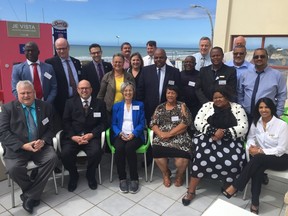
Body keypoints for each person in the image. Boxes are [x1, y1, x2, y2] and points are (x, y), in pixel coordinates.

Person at [182, 86, 248, 206]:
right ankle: (191, 190)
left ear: (226, 97)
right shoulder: (207, 106)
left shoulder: (237, 108)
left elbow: (243, 127)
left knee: (234, 160)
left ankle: (227, 184)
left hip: (230, 140)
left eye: (220, 97)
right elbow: (197, 122)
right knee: (201, 159)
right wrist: (213, 131)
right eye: (215, 98)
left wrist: (223, 133)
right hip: (208, 138)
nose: (217, 100)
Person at [222, 97, 288, 215]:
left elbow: (281, 149)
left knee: (257, 159)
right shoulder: (256, 122)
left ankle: (236, 186)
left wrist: (260, 151)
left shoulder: (282, 125)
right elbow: (251, 138)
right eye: (261, 107)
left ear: (271, 108)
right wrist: (251, 148)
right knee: (257, 168)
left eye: (266, 107)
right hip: (262, 158)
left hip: (282, 158)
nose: (263, 110)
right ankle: (255, 203)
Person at [0, 80, 58, 214]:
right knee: (13, 168)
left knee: (53, 158)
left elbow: (51, 128)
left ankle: (29, 196)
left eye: (29, 92)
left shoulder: (45, 106)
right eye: (22, 93)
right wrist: (23, 145)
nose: (26, 96)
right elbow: (3, 132)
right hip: (19, 148)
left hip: (39, 146)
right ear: (17, 94)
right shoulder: (8, 109)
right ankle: (33, 194)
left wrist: (43, 141)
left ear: (34, 93)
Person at [137, 48, 182, 165]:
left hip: (168, 110)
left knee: (166, 132)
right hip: (149, 109)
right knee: (150, 133)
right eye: (156, 57)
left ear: (165, 58)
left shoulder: (175, 72)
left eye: (161, 57)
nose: (158, 59)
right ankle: (149, 158)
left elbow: (178, 92)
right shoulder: (145, 71)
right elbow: (140, 91)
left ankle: (165, 156)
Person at [61, 80, 107, 192]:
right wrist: (73, 137)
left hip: (91, 137)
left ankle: (90, 174)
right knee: (65, 154)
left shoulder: (100, 103)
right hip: (74, 137)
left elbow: (103, 123)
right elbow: (65, 122)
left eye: (86, 88)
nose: (84, 90)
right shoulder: (70, 103)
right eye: (81, 88)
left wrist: (92, 134)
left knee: (96, 152)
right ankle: (73, 175)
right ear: (77, 90)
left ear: (91, 89)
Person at [150, 85, 193, 187]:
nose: (170, 95)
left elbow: (187, 123)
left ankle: (179, 175)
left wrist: (170, 134)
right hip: (162, 136)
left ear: (177, 94)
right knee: (156, 150)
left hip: (180, 137)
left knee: (182, 159)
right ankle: (166, 174)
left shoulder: (181, 106)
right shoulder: (160, 107)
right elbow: (153, 123)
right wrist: (160, 134)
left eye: (173, 93)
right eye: (168, 93)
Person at [111, 82, 145, 193]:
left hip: (135, 135)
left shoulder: (139, 105)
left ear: (133, 92)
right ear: (122, 92)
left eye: (130, 90)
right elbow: (114, 124)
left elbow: (141, 123)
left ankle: (134, 178)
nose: (128, 92)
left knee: (129, 148)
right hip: (120, 134)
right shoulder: (117, 106)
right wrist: (120, 133)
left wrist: (133, 134)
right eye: (125, 91)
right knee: (119, 149)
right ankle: (122, 178)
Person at [238, 48, 287, 123]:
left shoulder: (277, 75)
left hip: (267, 117)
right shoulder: (245, 74)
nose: (259, 59)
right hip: (246, 116)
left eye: (262, 56)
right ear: (253, 59)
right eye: (256, 57)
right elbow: (240, 93)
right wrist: (241, 109)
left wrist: (278, 114)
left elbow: (282, 95)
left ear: (267, 58)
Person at [45, 38, 82, 118]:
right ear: (55, 49)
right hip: (61, 102)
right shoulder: (50, 63)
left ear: (68, 47)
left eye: (64, 48)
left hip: (77, 99)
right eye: (59, 49)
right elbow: (48, 83)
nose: (61, 51)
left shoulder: (76, 62)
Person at [97, 53, 135, 122]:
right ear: (112, 63)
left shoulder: (129, 76)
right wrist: (99, 108)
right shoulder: (107, 76)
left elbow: (134, 93)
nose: (117, 64)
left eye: (120, 62)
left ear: (123, 63)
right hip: (109, 109)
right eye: (116, 62)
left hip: (125, 109)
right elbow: (101, 94)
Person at [180, 55, 201, 120]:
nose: (188, 64)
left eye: (190, 62)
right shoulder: (179, 74)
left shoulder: (199, 75)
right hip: (181, 105)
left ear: (195, 64)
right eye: (186, 62)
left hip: (195, 106)